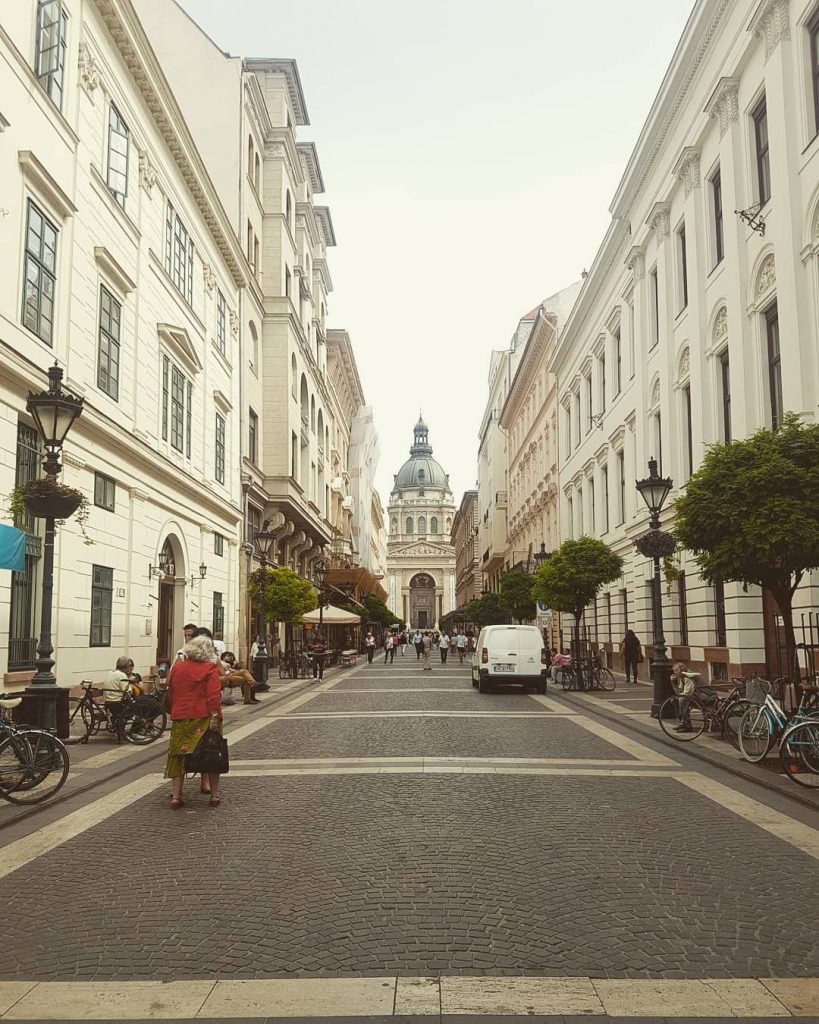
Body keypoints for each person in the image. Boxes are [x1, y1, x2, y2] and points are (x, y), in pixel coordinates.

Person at [165, 635, 223, 808]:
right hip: (204, 717)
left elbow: (171, 691)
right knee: (212, 754)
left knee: (178, 755)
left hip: (181, 716)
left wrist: (176, 708)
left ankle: (176, 796)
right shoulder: (209, 669)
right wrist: (215, 716)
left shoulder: (177, 668)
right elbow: (213, 696)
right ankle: (214, 795)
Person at [670, 662, 707, 733]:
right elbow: (679, 692)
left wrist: (679, 696)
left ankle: (687, 725)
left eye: (676, 670)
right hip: (694, 696)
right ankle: (682, 722)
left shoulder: (688, 676)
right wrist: (673, 683)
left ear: (682, 670)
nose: (675, 673)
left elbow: (687, 693)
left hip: (704, 696)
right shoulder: (681, 677)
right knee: (675, 700)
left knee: (682, 699)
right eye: (674, 671)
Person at [103, 656, 133, 737]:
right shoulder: (122, 675)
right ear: (126, 667)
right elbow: (127, 691)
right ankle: (133, 731)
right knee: (137, 708)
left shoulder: (110, 673)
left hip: (107, 703)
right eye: (129, 666)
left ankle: (119, 728)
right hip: (117, 704)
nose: (130, 668)